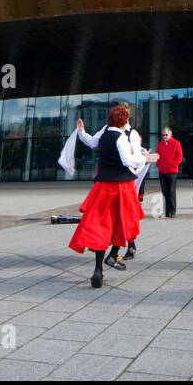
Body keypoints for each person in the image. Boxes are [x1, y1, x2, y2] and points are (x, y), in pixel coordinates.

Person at [68, 103, 158, 287]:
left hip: (103, 186)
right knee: (126, 221)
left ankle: (98, 269)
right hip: (121, 186)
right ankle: (112, 255)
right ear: (124, 120)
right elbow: (128, 160)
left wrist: (81, 131)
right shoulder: (121, 137)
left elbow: (91, 142)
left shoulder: (104, 133)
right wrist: (145, 158)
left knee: (101, 225)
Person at [155, 126, 183, 217]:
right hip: (162, 171)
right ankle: (167, 211)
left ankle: (172, 211)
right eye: (163, 135)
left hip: (172, 172)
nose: (164, 136)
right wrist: (158, 165)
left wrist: (173, 165)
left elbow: (179, 156)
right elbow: (157, 155)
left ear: (170, 134)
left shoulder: (176, 143)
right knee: (165, 192)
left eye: (166, 135)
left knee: (171, 191)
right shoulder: (161, 144)